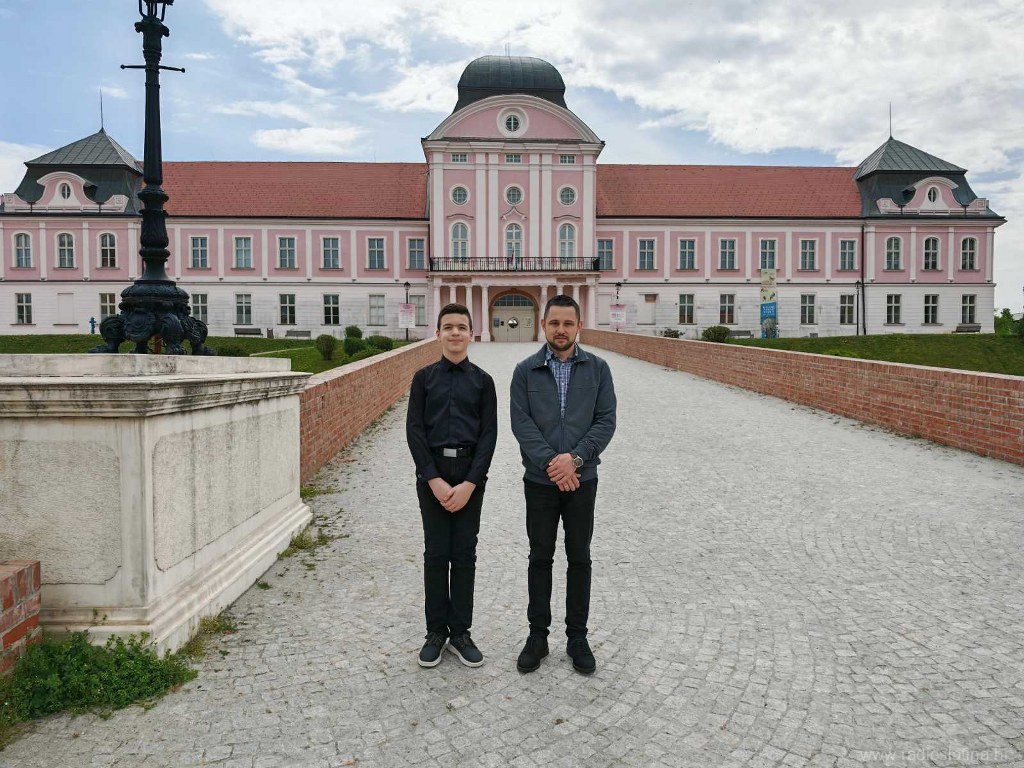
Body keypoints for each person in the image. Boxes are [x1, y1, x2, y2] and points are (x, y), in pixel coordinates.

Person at [510, 294, 617, 674]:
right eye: (554, 323)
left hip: (582, 480)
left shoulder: (598, 369)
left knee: (579, 557)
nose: (561, 330)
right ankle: (537, 636)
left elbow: (605, 421)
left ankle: (577, 637)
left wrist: (575, 460)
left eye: (568, 323)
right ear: (543, 325)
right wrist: (552, 463)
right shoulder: (525, 371)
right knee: (540, 557)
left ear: (578, 326)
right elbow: (521, 423)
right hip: (539, 481)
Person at [406, 303, 498, 668]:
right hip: (432, 474)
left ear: (471, 334)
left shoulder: (483, 381)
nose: (455, 332)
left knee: (464, 555)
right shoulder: (423, 379)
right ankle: (435, 632)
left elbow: (489, 436)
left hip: (469, 475)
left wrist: (470, 483)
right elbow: (414, 431)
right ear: (438, 334)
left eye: (461, 327)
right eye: (448, 327)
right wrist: (433, 479)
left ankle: (460, 632)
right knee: (435, 553)